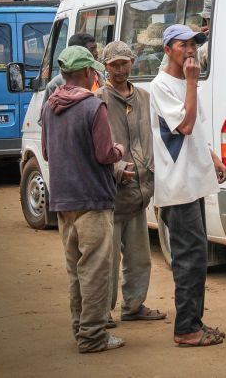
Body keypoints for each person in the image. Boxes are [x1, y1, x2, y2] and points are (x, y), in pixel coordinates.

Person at [41, 45, 127, 353]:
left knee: (75, 270)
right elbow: (105, 154)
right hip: (93, 199)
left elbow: (48, 153)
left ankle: (81, 328)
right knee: (95, 271)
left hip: (63, 201)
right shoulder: (94, 107)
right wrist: (118, 150)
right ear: (89, 73)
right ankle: (92, 336)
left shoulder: (50, 107)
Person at [150, 24, 226, 347]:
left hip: (193, 182)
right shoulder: (162, 85)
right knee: (189, 258)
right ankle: (185, 329)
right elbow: (184, 124)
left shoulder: (184, 82)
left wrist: (213, 157)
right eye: (184, 45)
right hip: (177, 187)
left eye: (194, 44)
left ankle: (194, 322)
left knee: (196, 256)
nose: (191, 50)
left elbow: (193, 133)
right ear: (168, 50)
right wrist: (193, 83)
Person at [97, 41, 165, 328]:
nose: (120, 69)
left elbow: (155, 136)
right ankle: (102, 312)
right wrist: (117, 170)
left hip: (139, 191)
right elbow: (96, 146)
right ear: (105, 67)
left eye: (124, 63)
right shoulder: (98, 100)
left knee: (139, 257)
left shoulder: (145, 97)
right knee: (107, 262)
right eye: (114, 65)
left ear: (133, 62)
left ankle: (134, 305)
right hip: (110, 194)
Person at [42, 32, 103, 106]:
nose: (96, 53)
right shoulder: (55, 84)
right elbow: (46, 114)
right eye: (92, 49)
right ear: (77, 52)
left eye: (96, 49)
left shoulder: (101, 77)